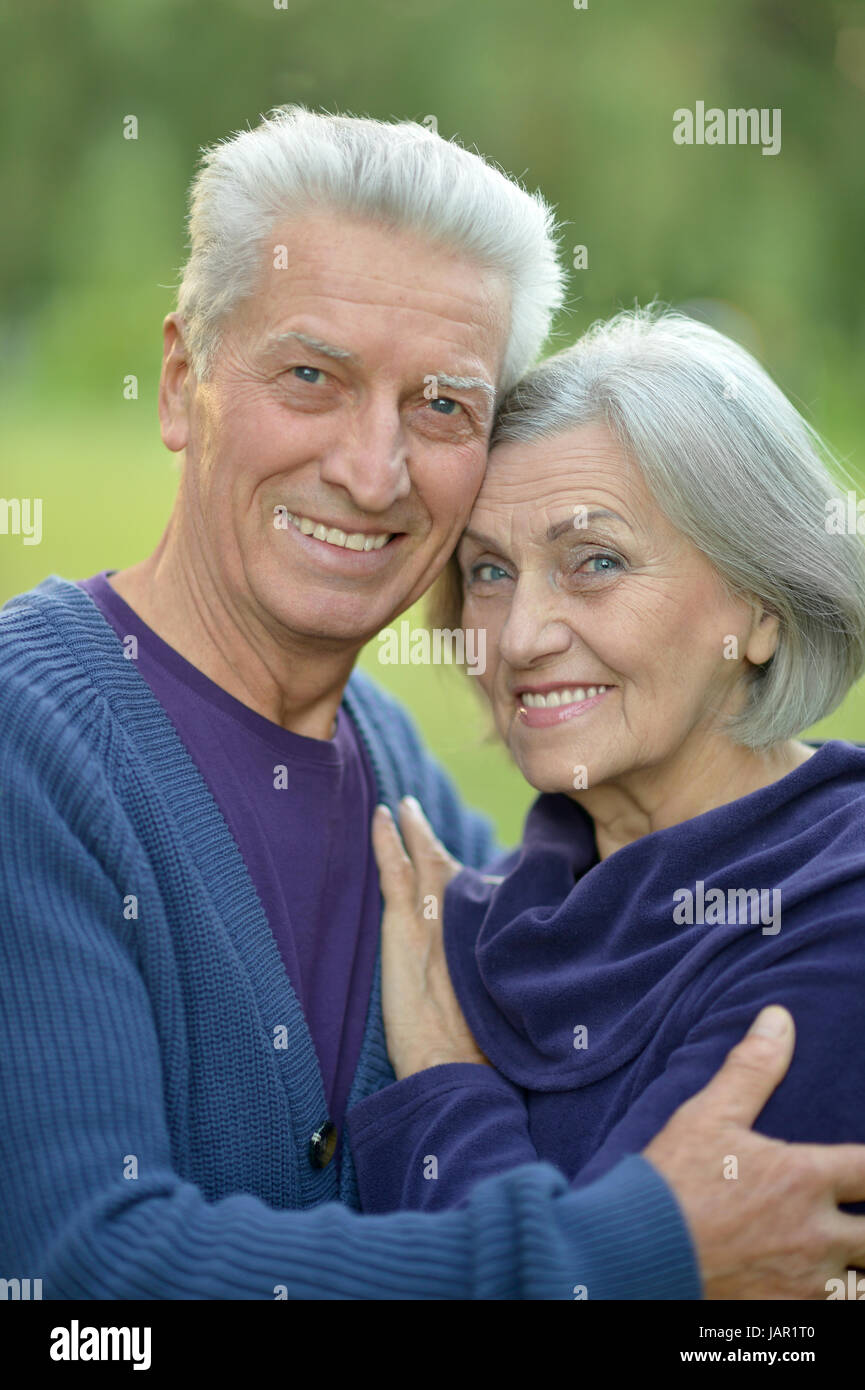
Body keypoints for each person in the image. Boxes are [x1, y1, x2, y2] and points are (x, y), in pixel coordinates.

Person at [2, 108, 865, 1301]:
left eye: (443, 406)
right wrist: (629, 1254)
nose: (372, 469)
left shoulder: (398, 782)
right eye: (312, 377)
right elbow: (75, 1281)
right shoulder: (30, 738)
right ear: (180, 382)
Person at [347, 310, 865, 1251]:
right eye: (490, 572)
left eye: (595, 563)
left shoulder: (834, 919)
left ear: (763, 610)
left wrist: (440, 1081)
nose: (519, 635)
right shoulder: (507, 898)